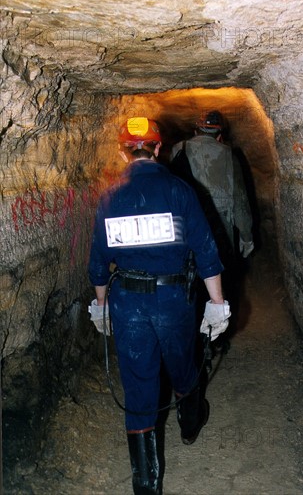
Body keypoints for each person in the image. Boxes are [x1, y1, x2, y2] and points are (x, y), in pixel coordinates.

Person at [88, 117, 230, 495]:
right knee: (182, 363)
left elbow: (99, 263)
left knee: (138, 386)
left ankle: (146, 484)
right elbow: (205, 251)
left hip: (127, 304)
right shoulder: (179, 190)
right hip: (173, 300)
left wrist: (101, 306)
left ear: (123, 151)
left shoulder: (108, 198)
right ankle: (189, 424)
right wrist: (216, 303)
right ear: (156, 148)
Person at [170, 110, 254, 349]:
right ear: (219, 135)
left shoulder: (179, 150)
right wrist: (247, 237)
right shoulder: (228, 155)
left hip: (184, 230)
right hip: (220, 231)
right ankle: (214, 338)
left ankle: (189, 338)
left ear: (196, 131)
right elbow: (240, 199)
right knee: (219, 281)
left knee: (189, 283)